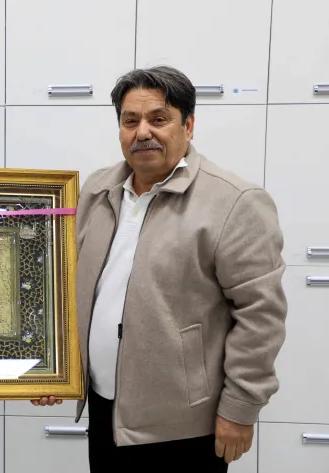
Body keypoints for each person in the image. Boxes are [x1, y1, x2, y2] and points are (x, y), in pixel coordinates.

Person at [32, 65, 287, 472]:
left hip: (185, 429)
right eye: (130, 121)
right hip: (105, 410)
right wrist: (53, 369)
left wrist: (240, 408)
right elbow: (63, 284)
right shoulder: (97, 190)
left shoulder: (234, 202)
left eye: (159, 119)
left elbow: (261, 316)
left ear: (188, 125)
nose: (142, 132)